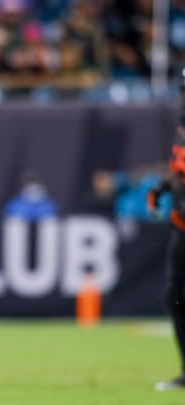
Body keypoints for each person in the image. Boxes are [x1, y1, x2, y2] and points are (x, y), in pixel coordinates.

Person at [150, 68, 185, 392]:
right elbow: (180, 167)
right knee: (175, 296)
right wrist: (164, 186)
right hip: (181, 226)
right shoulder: (183, 126)